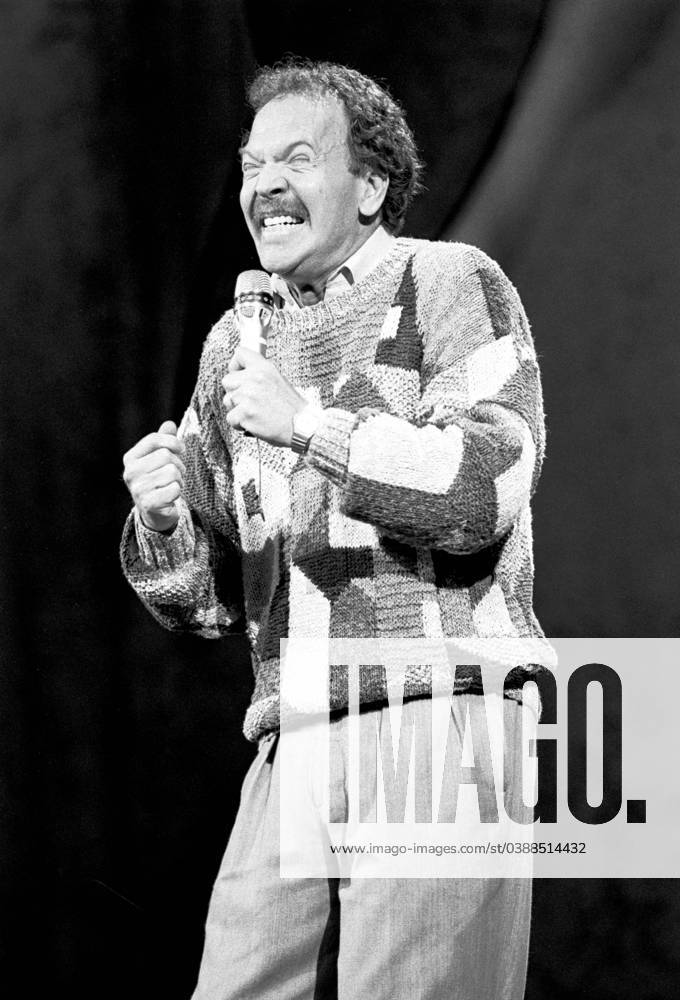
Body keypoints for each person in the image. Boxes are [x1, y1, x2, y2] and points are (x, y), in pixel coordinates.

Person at [121, 58, 547, 1000]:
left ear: (372, 185)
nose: (263, 184)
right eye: (250, 164)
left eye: (298, 158)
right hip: (294, 735)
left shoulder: (447, 279)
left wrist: (311, 427)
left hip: (434, 715)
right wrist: (162, 522)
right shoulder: (240, 342)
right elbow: (202, 605)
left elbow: (486, 483)